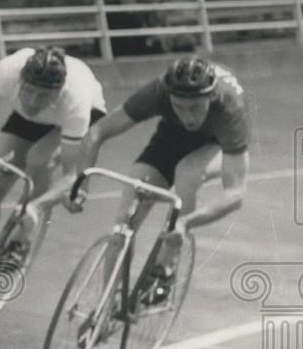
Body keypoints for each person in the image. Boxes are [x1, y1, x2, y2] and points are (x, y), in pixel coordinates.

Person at [81, 55, 249, 316]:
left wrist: (186, 223)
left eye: (195, 107)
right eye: (179, 106)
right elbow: (97, 132)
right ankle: (106, 304)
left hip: (214, 142)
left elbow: (236, 193)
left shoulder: (230, 107)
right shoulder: (158, 92)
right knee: (125, 219)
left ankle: (165, 269)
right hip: (170, 138)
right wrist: (82, 183)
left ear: (210, 96)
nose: (187, 115)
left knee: (187, 173)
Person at [0, 46, 107, 277]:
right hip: (27, 118)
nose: (33, 101)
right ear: (19, 82)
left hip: (73, 118)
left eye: (43, 95)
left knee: (38, 159)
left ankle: (23, 236)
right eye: (28, 91)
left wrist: (41, 205)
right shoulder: (5, 73)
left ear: (58, 92)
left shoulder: (76, 102)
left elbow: (71, 174)